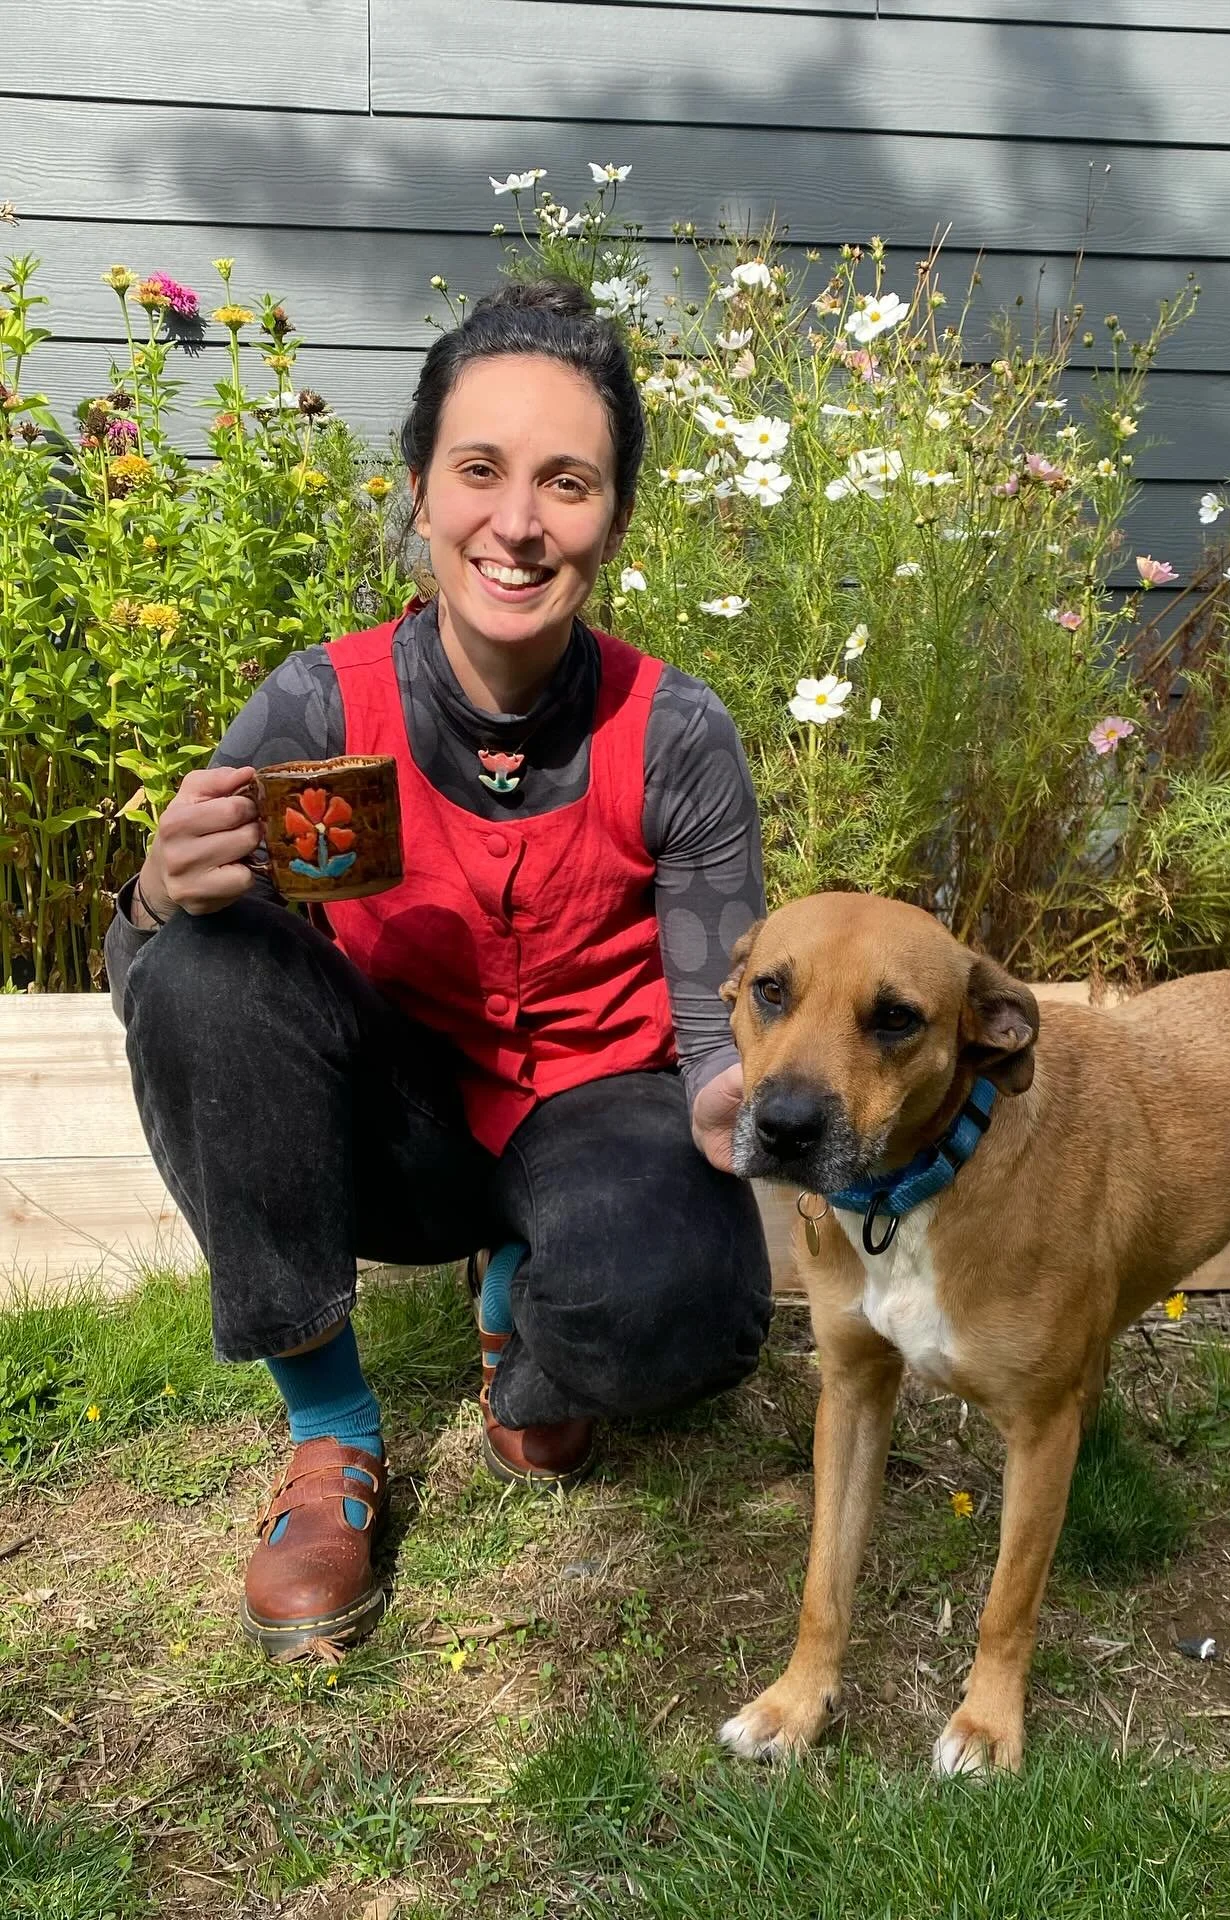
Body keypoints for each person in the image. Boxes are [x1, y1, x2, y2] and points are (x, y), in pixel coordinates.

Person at [103, 277, 772, 1659]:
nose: (518, 522)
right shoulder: (316, 705)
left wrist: (738, 1114)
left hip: (596, 1111)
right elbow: (144, 976)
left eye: (566, 482)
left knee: (697, 1300)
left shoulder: (679, 734)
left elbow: (714, 1034)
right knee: (205, 969)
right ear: (419, 490)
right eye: (480, 470)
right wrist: (159, 891)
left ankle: (528, 1318)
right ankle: (332, 1434)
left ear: (616, 520)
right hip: (394, 1129)